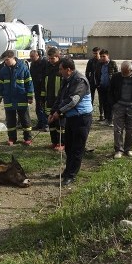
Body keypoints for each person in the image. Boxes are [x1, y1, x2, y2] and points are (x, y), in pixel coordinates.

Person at [49, 58, 93, 186]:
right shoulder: (66, 80)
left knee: (77, 148)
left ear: (69, 69)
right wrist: (52, 112)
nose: (59, 72)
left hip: (82, 118)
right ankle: (67, 171)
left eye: (61, 69)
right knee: (68, 147)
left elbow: (73, 101)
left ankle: (71, 175)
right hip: (71, 118)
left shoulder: (80, 81)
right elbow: (60, 97)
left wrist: (59, 113)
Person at [0, 50, 34, 146]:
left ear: (13, 58)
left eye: (7, 60)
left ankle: (28, 138)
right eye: (4, 60)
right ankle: (12, 138)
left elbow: (29, 83)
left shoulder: (23, 68)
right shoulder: (3, 71)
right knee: (10, 121)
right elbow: (0, 86)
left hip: (21, 98)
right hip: (8, 99)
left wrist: (30, 96)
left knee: (25, 119)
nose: (6, 62)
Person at [109, 60, 132, 159]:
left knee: (131, 130)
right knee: (118, 130)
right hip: (119, 106)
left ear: (131, 70)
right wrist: (114, 105)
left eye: (125, 72)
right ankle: (118, 150)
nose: (123, 73)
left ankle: (128, 149)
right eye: (122, 71)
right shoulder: (116, 76)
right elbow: (110, 91)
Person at [42, 47, 64, 151]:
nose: (50, 60)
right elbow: (44, 82)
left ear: (58, 57)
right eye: (49, 58)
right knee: (51, 122)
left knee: (60, 124)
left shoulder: (63, 66)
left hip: (60, 100)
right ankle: (54, 142)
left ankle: (62, 143)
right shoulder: (47, 67)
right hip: (49, 100)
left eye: (52, 58)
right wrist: (43, 97)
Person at [93, 49, 118, 126]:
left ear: (108, 56)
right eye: (101, 56)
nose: (102, 58)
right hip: (101, 87)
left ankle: (111, 120)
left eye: (104, 56)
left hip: (110, 88)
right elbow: (97, 75)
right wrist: (98, 84)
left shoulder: (112, 63)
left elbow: (116, 75)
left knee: (110, 104)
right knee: (104, 104)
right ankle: (107, 119)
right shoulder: (99, 64)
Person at [29, 49, 49, 131]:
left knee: (43, 107)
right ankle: (40, 123)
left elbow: (46, 77)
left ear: (38, 55)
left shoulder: (44, 63)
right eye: (30, 57)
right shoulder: (33, 64)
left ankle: (46, 124)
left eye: (33, 56)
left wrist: (43, 89)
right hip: (36, 88)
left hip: (43, 88)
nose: (31, 58)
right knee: (38, 107)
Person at [85, 47, 101, 120]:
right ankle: (90, 114)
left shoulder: (101, 61)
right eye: (94, 53)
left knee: (101, 100)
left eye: (96, 53)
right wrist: (88, 80)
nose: (95, 55)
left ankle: (101, 115)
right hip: (92, 83)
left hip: (100, 83)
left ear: (99, 53)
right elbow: (87, 72)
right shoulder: (91, 61)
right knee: (90, 99)